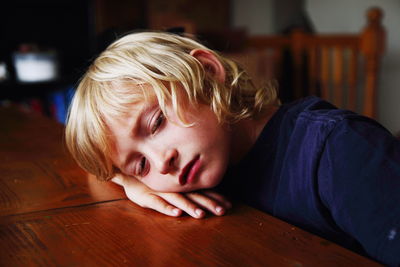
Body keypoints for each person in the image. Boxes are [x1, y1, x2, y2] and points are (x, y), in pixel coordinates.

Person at [65, 31, 400, 266]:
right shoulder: (206, 159)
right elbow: (94, 168)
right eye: (140, 164)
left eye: (156, 123)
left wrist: (135, 174)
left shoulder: (339, 149)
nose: (161, 163)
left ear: (208, 72)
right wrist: (133, 183)